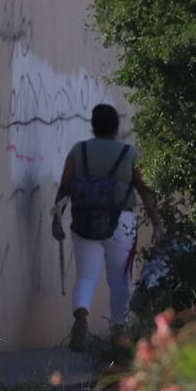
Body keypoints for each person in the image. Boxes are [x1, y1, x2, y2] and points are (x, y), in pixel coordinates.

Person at [51, 104, 163, 351]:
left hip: (84, 220)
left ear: (92, 126)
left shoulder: (78, 151)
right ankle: (118, 329)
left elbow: (65, 187)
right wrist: (156, 221)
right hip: (121, 220)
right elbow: (144, 189)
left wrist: (56, 219)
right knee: (120, 277)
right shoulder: (128, 153)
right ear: (116, 127)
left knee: (86, 276)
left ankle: (81, 314)